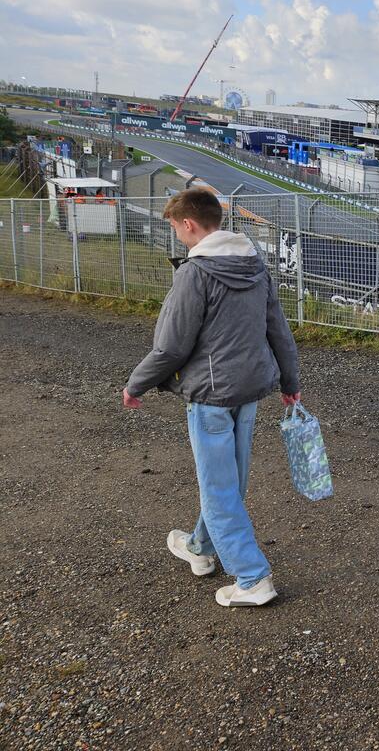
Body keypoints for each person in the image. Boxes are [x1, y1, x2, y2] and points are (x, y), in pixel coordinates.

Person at [122, 188, 300, 608]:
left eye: (175, 228)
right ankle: (200, 548)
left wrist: (135, 384)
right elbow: (278, 330)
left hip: (211, 395)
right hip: (249, 389)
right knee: (228, 481)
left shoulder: (195, 273)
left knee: (219, 488)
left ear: (188, 224)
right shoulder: (255, 267)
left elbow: (171, 347)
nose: (177, 235)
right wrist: (290, 382)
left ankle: (252, 577)